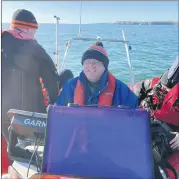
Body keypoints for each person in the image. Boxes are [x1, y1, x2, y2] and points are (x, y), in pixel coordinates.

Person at [1, 9, 59, 172]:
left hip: (3, 114)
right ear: (25, 29)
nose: (34, 36)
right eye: (34, 31)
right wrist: (55, 102)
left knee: (13, 151)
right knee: (35, 156)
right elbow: (51, 77)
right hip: (28, 114)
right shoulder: (34, 48)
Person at [130, 56, 179, 179]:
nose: (166, 89)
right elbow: (131, 93)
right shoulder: (153, 84)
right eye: (164, 87)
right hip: (143, 130)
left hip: (171, 140)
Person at [56, 41, 138, 108]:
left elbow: (134, 117)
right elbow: (59, 113)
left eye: (95, 62)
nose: (91, 65)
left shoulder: (122, 90)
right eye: (87, 62)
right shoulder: (69, 87)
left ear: (104, 67)